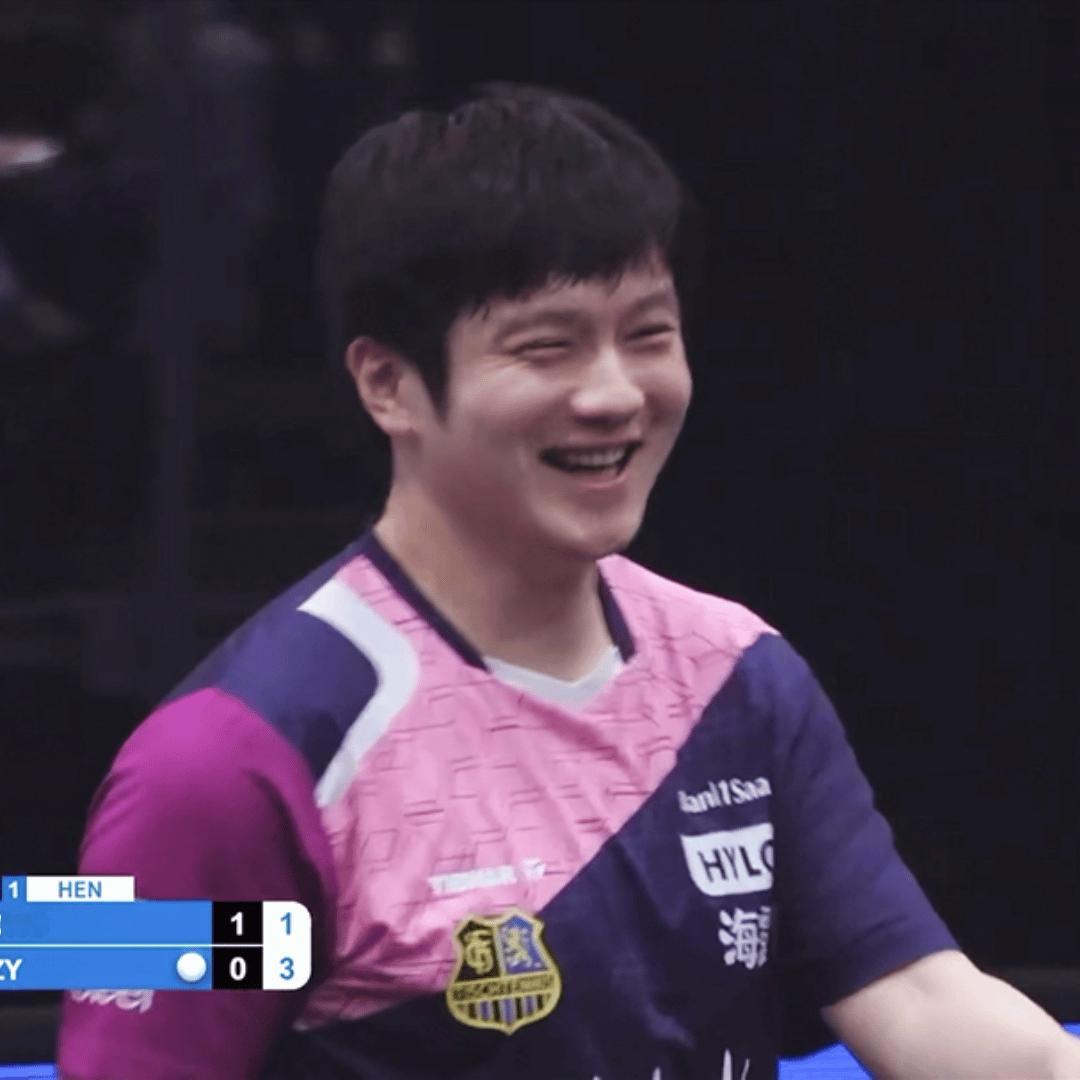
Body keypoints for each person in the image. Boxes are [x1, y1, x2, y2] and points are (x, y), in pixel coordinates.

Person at [57, 82, 1080, 1080]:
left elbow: (918, 995)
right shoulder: (214, 763)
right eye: (548, 348)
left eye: (649, 335)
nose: (615, 393)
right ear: (387, 383)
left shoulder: (742, 674)